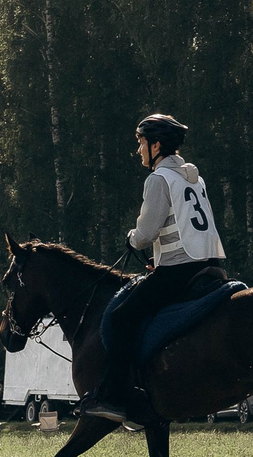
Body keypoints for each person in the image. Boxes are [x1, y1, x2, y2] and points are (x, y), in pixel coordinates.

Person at [82, 113, 227, 423]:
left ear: (156, 145)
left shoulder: (158, 179)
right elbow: (184, 228)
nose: (139, 150)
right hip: (210, 265)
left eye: (141, 143)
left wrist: (131, 238)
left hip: (180, 272)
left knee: (120, 319)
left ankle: (115, 399)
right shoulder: (194, 178)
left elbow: (146, 234)